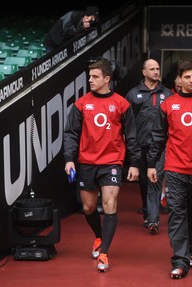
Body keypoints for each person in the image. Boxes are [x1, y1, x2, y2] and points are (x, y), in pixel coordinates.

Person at [63, 58, 140, 273]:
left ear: (107, 79)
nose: (91, 80)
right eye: (90, 76)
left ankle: (104, 253)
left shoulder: (122, 104)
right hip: (87, 162)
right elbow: (71, 133)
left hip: (112, 162)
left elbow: (131, 135)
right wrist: (69, 158)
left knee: (109, 204)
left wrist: (134, 163)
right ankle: (98, 236)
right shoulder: (81, 104)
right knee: (88, 207)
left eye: (95, 77)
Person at [147, 60, 192, 279]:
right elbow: (158, 136)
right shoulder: (168, 104)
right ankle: (180, 260)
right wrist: (152, 164)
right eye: (188, 77)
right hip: (174, 168)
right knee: (177, 213)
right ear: (179, 80)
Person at [125, 59, 172, 234]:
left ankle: (153, 220)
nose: (156, 72)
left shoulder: (167, 93)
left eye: (158, 69)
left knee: (155, 180)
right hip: (139, 145)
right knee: (144, 181)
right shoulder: (133, 94)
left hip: (159, 146)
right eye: (152, 69)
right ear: (144, 72)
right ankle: (147, 211)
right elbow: (126, 121)